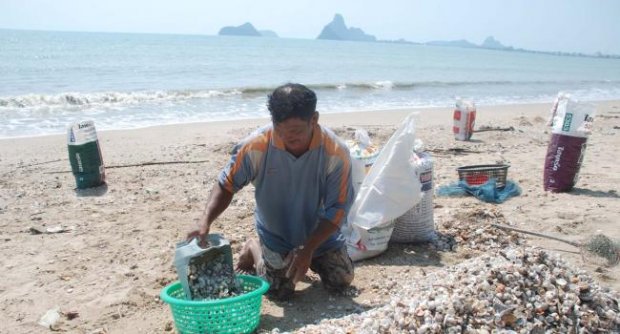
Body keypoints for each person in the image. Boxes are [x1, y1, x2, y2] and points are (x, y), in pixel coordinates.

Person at [187, 83, 356, 300]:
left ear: (314, 119)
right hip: (277, 234)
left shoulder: (335, 152)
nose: (287, 139)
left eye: (295, 132)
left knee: (341, 279)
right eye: (280, 130)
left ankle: (307, 256)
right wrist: (205, 220)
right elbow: (226, 184)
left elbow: (338, 209)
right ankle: (254, 248)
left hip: (318, 232)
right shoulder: (256, 146)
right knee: (278, 291)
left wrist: (307, 250)